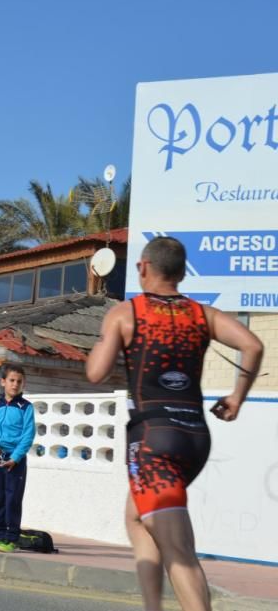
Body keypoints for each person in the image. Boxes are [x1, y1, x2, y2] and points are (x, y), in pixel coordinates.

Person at [86, 236, 264, 611]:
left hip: (153, 441)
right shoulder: (204, 314)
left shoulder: (126, 312)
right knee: (136, 517)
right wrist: (236, 398)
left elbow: (96, 373)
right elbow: (253, 345)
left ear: (143, 267)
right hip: (195, 438)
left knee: (178, 550)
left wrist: (107, 339)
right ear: (181, 273)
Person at [0, 363, 35, 553]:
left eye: (19, 381)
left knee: (13, 499)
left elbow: (28, 435)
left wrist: (16, 457)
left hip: (14, 461)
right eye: (12, 380)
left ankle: (11, 539)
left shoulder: (25, 407)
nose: (15, 384)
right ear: (3, 382)